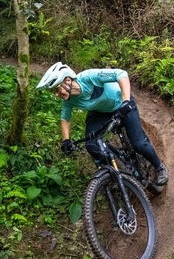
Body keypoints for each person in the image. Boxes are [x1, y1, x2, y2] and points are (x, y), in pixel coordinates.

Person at [36, 61, 169, 185]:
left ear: (68, 80)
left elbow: (121, 74)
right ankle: (113, 176)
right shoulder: (68, 100)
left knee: (139, 144)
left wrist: (126, 101)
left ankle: (159, 167)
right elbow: (65, 117)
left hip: (121, 103)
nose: (56, 95)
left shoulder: (89, 77)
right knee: (92, 145)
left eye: (57, 89)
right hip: (99, 112)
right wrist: (66, 140)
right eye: (54, 91)